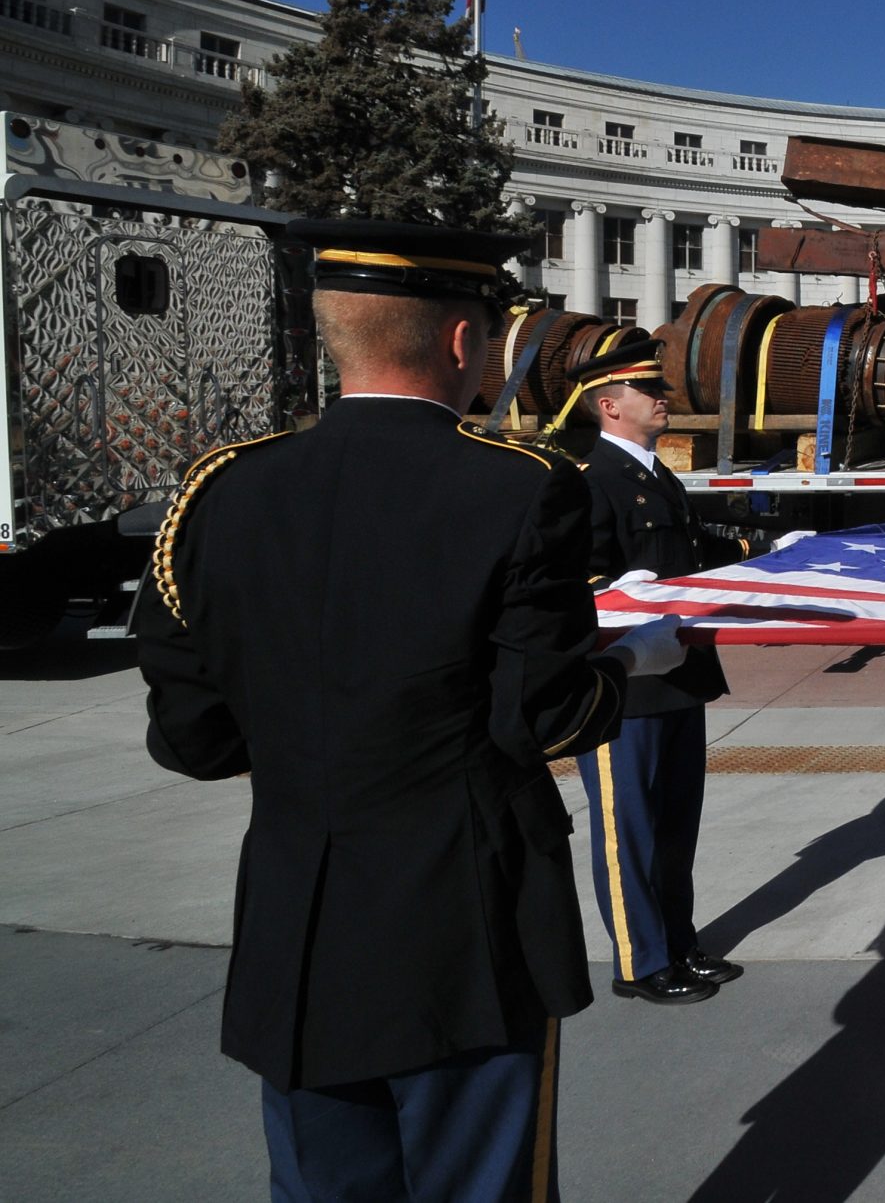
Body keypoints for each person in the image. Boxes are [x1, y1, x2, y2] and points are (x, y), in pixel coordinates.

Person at [133, 218, 688, 1203]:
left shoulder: (222, 490)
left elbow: (194, 735)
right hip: (464, 931)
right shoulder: (521, 488)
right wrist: (631, 658)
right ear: (462, 341)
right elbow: (546, 717)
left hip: (296, 931)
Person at [559, 338, 752, 1005]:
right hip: (626, 688)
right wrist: (617, 591)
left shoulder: (654, 474)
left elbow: (690, 549)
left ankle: (678, 942)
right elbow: (576, 581)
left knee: (674, 828)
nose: (664, 398)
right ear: (610, 406)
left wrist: (765, 548)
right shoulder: (590, 479)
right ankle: (639, 962)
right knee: (627, 830)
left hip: (679, 677)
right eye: (650, 391)